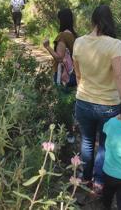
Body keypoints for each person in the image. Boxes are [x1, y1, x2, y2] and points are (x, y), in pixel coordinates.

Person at [72, 5, 121, 194]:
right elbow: (119, 76)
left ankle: (84, 178)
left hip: (83, 100)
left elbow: (78, 75)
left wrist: (82, 92)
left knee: (87, 141)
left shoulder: (79, 42)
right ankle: (98, 181)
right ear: (110, 21)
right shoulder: (114, 44)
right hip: (108, 105)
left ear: (93, 21)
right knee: (104, 144)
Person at [43, 8, 78, 143]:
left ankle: (65, 134)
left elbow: (59, 57)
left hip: (62, 75)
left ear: (61, 20)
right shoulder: (75, 36)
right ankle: (71, 131)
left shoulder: (62, 36)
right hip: (73, 73)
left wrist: (47, 46)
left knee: (63, 103)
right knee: (70, 101)